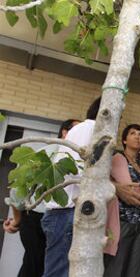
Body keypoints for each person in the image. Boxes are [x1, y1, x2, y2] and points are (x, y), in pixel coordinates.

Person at [3, 118, 79, 277]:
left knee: (50, 265)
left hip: (65, 220)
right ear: (65, 132)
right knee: (35, 264)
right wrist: (17, 220)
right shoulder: (45, 153)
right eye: (78, 129)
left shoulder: (79, 161)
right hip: (35, 218)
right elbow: (18, 191)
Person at [41, 97, 101, 277]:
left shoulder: (79, 129)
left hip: (62, 212)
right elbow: (79, 169)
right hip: (66, 212)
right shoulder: (91, 129)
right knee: (59, 272)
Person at [104, 124, 140, 277]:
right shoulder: (118, 158)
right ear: (124, 140)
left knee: (135, 270)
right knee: (116, 268)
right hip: (121, 222)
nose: (137, 136)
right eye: (133, 133)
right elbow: (133, 193)